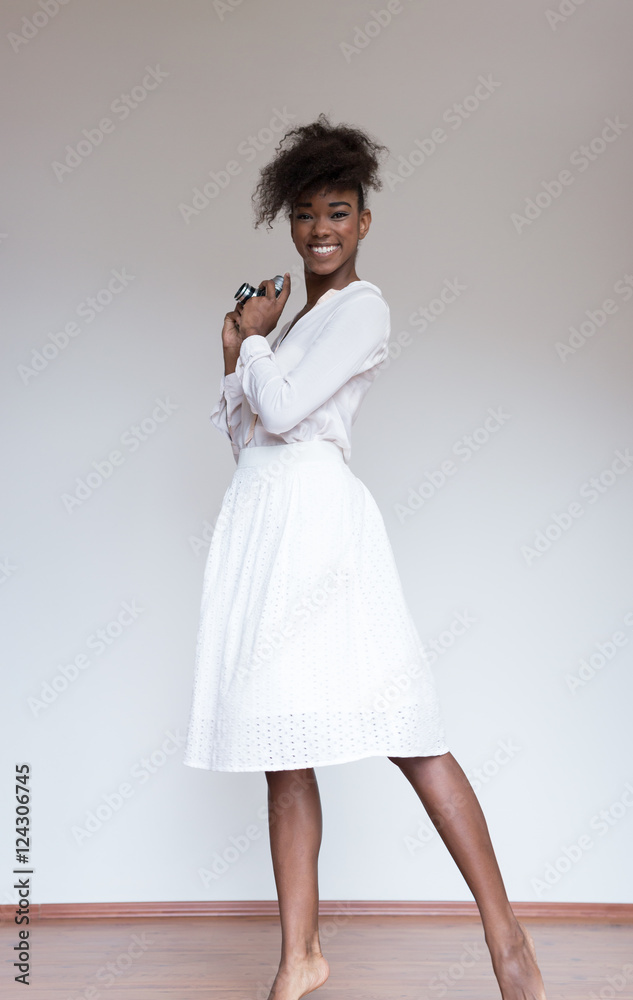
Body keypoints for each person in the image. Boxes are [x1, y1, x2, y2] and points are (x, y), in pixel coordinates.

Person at [182, 114, 547, 1000]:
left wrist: (259, 342)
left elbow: (285, 412)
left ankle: (506, 940)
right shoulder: (297, 323)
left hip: (320, 530)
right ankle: (298, 956)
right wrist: (236, 353)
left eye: (337, 212)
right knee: (282, 743)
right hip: (269, 521)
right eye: (305, 214)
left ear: (364, 221)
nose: (319, 230)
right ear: (289, 221)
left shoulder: (361, 309)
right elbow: (248, 434)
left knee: (407, 730)